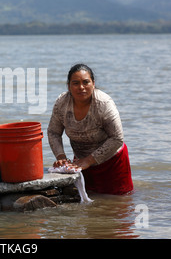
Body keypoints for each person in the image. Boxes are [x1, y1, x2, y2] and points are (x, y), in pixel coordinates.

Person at [47, 64, 133, 195]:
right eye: (75, 83)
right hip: (80, 162)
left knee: (118, 203)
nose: (81, 87)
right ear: (69, 86)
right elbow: (53, 132)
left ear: (93, 83)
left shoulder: (104, 104)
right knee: (88, 203)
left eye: (85, 82)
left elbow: (117, 138)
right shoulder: (62, 103)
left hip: (111, 162)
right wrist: (61, 157)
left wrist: (89, 160)